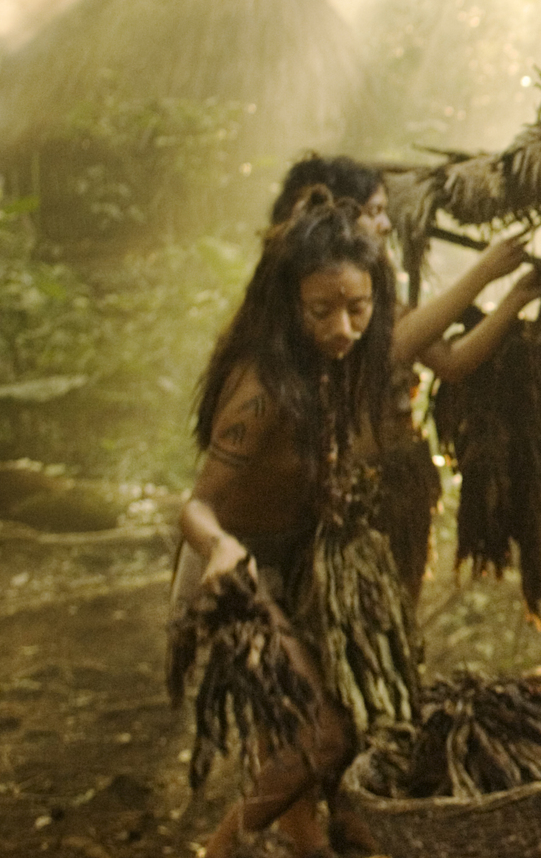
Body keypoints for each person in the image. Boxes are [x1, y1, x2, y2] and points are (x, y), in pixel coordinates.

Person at [174, 189, 417, 858]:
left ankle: (313, 840)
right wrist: (223, 552)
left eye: (358, 307)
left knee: (342, 744)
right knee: (323, 737)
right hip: (236, 572)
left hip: (296, 565)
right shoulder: (262, 383)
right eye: (323, 310)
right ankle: (218, 849)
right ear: (290, 305)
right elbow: (195, 506)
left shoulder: (337, 366)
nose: (343, 326)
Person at [268, 154, 541, 598]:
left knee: (397, 604)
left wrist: (515, 298)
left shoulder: (380, 301)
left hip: (398, 481)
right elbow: (393, 349)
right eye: (374, 212)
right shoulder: (324, 315)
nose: (385, 225)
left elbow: (452, 361)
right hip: (348, 495)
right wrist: (484, 271)